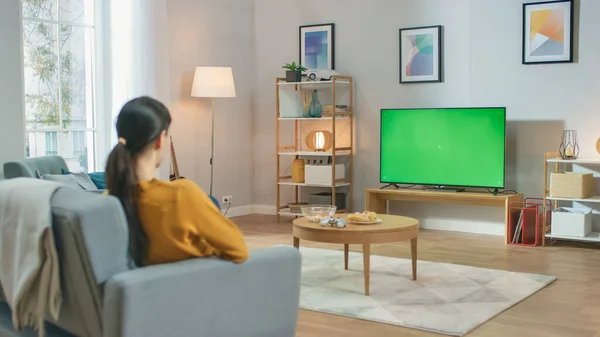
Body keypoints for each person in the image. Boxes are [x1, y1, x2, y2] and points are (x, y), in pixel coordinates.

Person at [105, 96, 248, 266]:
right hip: (196, 287)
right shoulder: (181, 195)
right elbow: (239, 250)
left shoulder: (108, 200)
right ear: (160, 139)